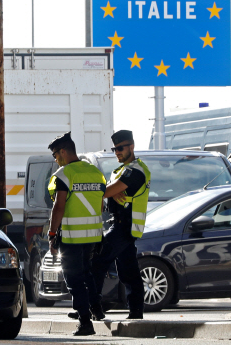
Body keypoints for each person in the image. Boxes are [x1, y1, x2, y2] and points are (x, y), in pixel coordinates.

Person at [47, 132, 105, 336]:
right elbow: (100, 204)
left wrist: (52, 233)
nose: (55, 160)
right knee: (87, 272)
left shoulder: (64, 174)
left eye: (55, 155)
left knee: (74, 279)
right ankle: (96, 309)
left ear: (63, 152)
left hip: (72, 237)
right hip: (93, 235)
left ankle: (85, 322)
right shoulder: (95, 172)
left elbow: (58, 207)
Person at [89, 130, 150, 321]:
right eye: (115, 149)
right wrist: (110, 193)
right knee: (128, 271)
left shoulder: (136, 171)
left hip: (125, 226)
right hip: (121, 225)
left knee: (97, 260)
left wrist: (109, 192)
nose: (117, 152)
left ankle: (93, 307)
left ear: (132, 146)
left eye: (121, 148)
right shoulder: (120, 171)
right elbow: (109, 193)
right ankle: (136, 312)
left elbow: (106, 191)